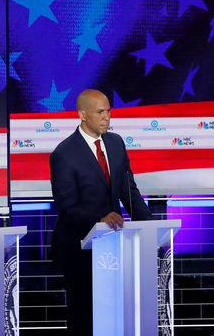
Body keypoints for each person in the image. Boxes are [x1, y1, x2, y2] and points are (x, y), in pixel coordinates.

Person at [49, 89, 152, 335]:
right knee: (84, 314)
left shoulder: (115, 143)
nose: (107, 117)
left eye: (108, 111)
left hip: (115, 244)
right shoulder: (63, 154)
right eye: (100, 112)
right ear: (82, 115)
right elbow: (67, 207)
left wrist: (148, 225)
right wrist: (99, 220)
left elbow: (129, 191)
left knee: (115, 311)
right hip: (79, 246)